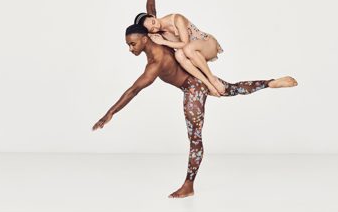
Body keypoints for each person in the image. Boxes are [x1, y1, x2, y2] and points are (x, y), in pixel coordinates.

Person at [92, 24, 298, 198]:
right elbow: (151, 13)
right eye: (128, 45)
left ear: (145, 40)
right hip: (199, 75)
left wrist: (110, 113)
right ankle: (270, 83)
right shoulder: (157, 35)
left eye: (132, 44)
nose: (130, 48)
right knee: (231, 89)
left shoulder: (155, 64)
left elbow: (133, 90)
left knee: (195, 137)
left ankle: (189, 185)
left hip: (193, 88)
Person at [134, 0, 225, 97]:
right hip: (194, 56)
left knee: (186, 48)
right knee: (179, 54)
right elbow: (150, 9)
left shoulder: (176, 19)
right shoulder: (157, 31)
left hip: (208, 45)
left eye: (154, 22)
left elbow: (185, 43)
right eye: (152, 29)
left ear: (153, 16)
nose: (156, 27)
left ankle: (212, 78)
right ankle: (208, 85)